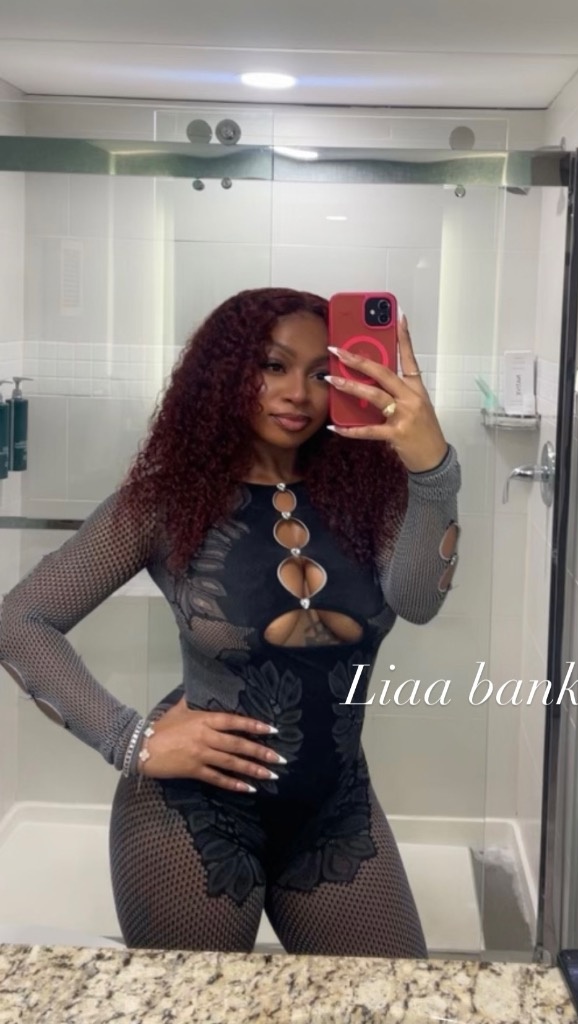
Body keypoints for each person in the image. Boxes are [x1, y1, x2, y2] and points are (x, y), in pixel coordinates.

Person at [0, 287, 461, 957]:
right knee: (194, 1004)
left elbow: (419, 602)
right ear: (225, 375)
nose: (298, 393)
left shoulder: (373, 493)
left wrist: (432, 469)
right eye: (274, 366)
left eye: (322, 374)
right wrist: (131, 741)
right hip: (189, 815)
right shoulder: (166, 499)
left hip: (335, 807)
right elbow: (20, 620)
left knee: (397, 999)